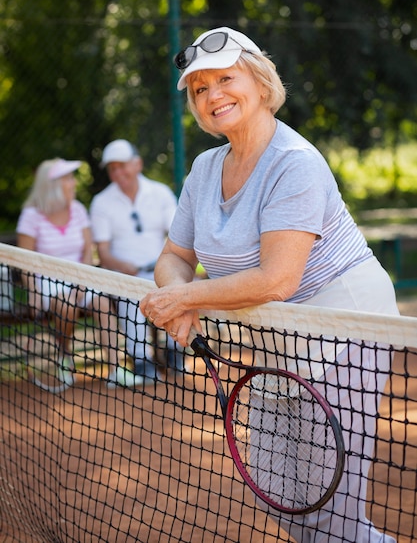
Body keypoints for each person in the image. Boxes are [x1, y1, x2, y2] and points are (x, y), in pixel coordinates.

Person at [140, 27, 399, 542]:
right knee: (283, 500)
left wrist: (184, 296)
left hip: (344, 330)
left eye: (226, 79)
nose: (214, 95)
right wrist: (179, 299)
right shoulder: (204, 168)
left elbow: (278, 279)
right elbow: (174, 256)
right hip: (274, 339)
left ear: (259, 83)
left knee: (332, 518)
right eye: (200, 89)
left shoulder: (294, 163)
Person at [16, 158, 142, 389]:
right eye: (68, 178)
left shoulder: (78, 210)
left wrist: (82, 280)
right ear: (53, 185)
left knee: (103, 304)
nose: (74, 183)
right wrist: (33, 293)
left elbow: (87, 251)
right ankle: (65, 357)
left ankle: (116, 369)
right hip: (48, 281)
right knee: (66, 306)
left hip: (80, 276)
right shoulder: (31, 215)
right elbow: (25, 262)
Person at [90, 139, 181, 384]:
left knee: (180, 289)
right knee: (132, 299)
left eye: (122, 165)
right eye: (112, 168)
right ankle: (141, 360)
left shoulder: (160, 193)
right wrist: (123, 268)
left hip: (161, 272)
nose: (118, 173)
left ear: (137, 163)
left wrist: (167, 269)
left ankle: (175, 353)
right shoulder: (101, 202)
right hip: (124, 278)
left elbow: (177, 236)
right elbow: (104, 253)